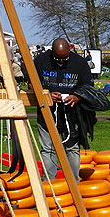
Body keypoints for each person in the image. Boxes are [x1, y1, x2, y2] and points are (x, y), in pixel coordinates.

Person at [34, 37, 94, 180]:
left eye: (64, 59)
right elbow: (32, 84)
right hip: (47, 113)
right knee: (47, 149)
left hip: (71, 112)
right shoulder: (40, 61)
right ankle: (50, 182)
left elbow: (88, 87)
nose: (60, 62)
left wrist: (77, 97)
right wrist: (46, 95)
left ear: (69, 50)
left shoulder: (80, 63)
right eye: (57, 58)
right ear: (52, 52)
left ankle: (73, 182)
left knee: (72, 149)